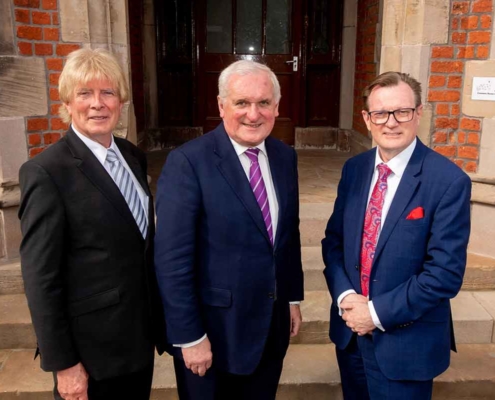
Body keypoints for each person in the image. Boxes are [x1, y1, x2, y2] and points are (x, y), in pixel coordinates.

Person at [18, 48, 167, 400]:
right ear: (68, 103)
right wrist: (65, 365)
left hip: (137, 341)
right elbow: (41, 279)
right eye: (85, 93)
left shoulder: (132, 156)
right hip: (90, 354)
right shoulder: (46, 173)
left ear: (121, 102)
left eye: (108, 92)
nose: (97, 103)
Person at [154, 60, 304, 400]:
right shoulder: (188, 162)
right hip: (213, 335)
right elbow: (171, 261)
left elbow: (287, 236)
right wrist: (189, 337)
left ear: (276, 107)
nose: (254, 114)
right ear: (222, 106)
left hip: (270, 327)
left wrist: (292, 297)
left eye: (264, 103)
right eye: (241, 103)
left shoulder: (284, 157)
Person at [321, 71, 471, 399]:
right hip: (350, 337)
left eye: (402, 111)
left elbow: (444, 275)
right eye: (380, 113)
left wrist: (374, 314)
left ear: (418, 113)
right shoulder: (355, 169)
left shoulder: (448, 182)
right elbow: (333, 242)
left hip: (407, 345)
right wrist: (345, 297)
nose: (391, 122)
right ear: (366, 118)